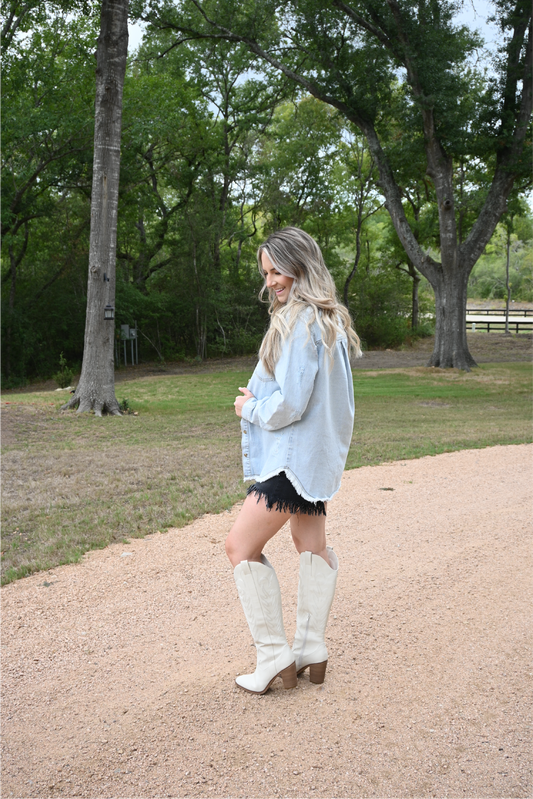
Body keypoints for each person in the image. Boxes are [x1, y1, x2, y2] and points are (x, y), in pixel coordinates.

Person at [226, 226, 361, 695]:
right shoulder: (329, 321)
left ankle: (273, 658)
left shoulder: (301, 320)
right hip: (313, 462)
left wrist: (251, 408)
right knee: (310, 546)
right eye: (266, 274)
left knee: (238, 548)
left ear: (301, 265)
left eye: (277, 270)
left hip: (289, 462)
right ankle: (309, 648)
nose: (271, 282)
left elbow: (292, 403)